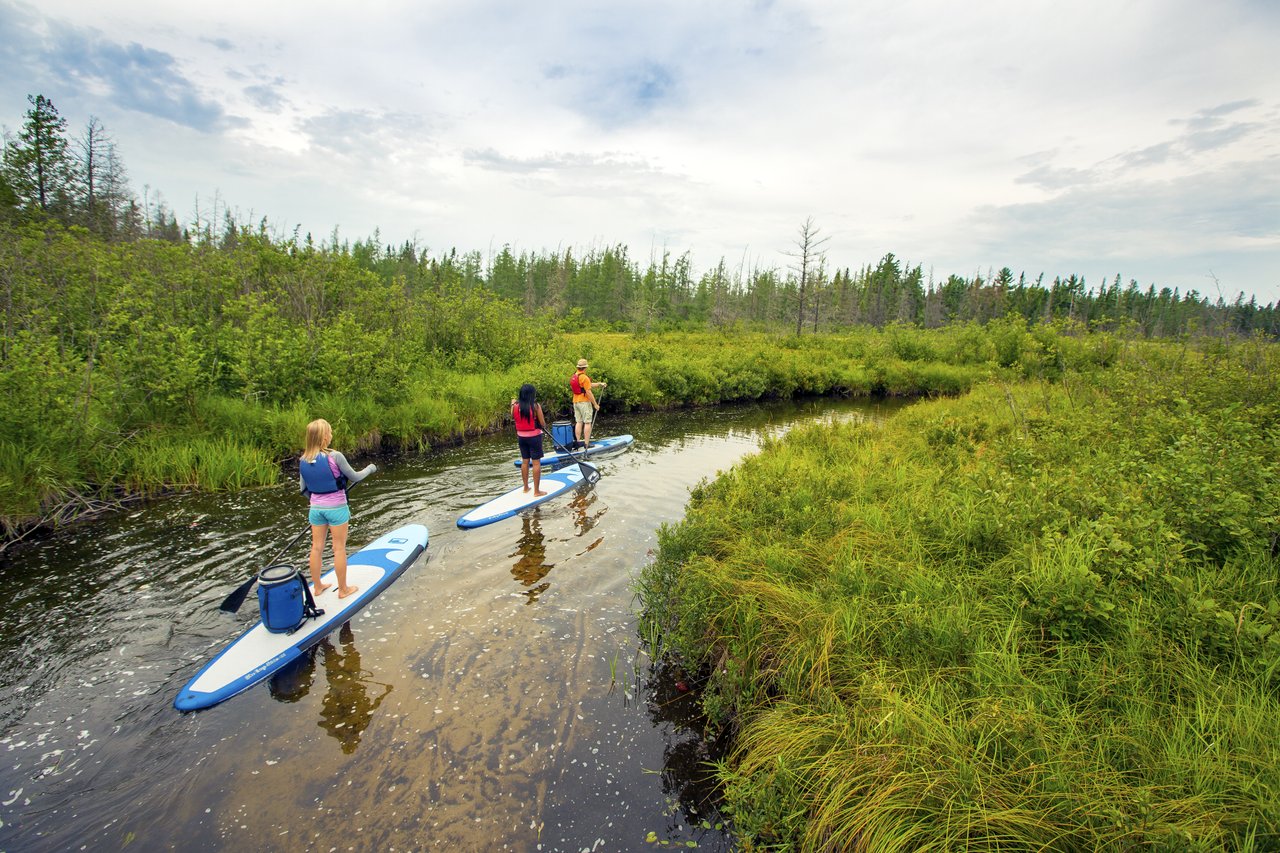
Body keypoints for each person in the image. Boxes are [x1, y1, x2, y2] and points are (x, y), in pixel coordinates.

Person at [298, 418, 376, 599]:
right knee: (338, 548)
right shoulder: (335, 456)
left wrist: (318, 500)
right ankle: (343, 590)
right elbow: (355, 477)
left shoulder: (303, 459)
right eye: (330, 432)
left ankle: (317, 587)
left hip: (316, 509)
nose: (331, 435)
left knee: (316, 547)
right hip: (337, 508)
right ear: (324, 437)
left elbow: (303, 489)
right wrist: (370, 469)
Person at [512, 383, 548, 496]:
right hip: (534, 437)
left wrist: (512, 403)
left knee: (525, 461)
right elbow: (542, 423)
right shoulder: (536, 406)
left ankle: (526, 487)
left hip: (521, 437)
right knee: (536, 463)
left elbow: (514, 416)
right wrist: (542, 424)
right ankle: (537, 491)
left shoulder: (515, 406)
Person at [571, 358, 607, 449]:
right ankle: (586, 444)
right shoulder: (584, 377)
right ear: (585, 368)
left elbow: (588, 385)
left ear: (578, 367)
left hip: (576, 402)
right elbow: (588, 392)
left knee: (578, 422)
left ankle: (578, 443)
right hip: (584, 402)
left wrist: (599, 384)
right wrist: (595, 404)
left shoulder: (575, 376)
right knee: (587, 423)